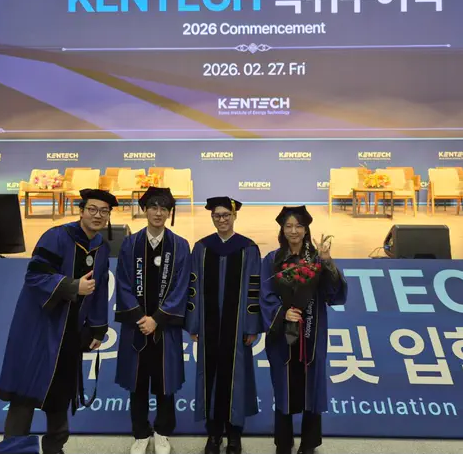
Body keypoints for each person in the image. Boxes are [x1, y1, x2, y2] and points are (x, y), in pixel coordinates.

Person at [0, 188, 116, 454]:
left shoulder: (101, 247)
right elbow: (35, 275)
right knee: (24, 392)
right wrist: (72, 286)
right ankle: (14, 449)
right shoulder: (57, 236)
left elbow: (99, 290)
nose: (98, 215)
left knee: (61, 392)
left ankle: (55, 448)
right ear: (81, 211)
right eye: (92, 209)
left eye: (104, 211)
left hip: (70, 331)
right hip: (40, 327)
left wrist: (97, 327)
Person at [260, 206, 347, 454]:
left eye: (299, 226)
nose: (293, 231)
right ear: (282, 230)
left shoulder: (317, 259)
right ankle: (283, 442)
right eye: (288, 226)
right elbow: (265, 295)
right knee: (284, 385)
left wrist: (328, 262)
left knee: (312, 385)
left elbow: (333, 292)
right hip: (283, 336)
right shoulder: (272, 260)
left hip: (313, 331)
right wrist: (282, 313)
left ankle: (309, 443)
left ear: (306, 229)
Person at [114, 187, 191, 454]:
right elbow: (123, 282)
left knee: (164, 382)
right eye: (154, 208)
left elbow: (182, 286)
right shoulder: (130, 244)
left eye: (164, 209)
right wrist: (140, 317)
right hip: (136, 326)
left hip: (164, 328)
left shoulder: (180, 245)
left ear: (169, 213)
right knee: (137, 382)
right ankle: (140, 432)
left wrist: (157, 319)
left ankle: (162, 432)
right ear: (145, 210)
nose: (158, 213)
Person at [186, 197, 263, 454]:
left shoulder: (248, 248)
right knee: (210, 377)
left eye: (226, 215)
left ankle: (234, 435)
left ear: (234, 216)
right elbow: (193, 287)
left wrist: (251, 326)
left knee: (235, 378)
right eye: (217, 215)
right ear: (212, 217)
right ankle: (213, 434)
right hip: (208, 327)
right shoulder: (201, 248)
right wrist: (194, 323)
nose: (221, 219)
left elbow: (254, 289)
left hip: (237, 327)